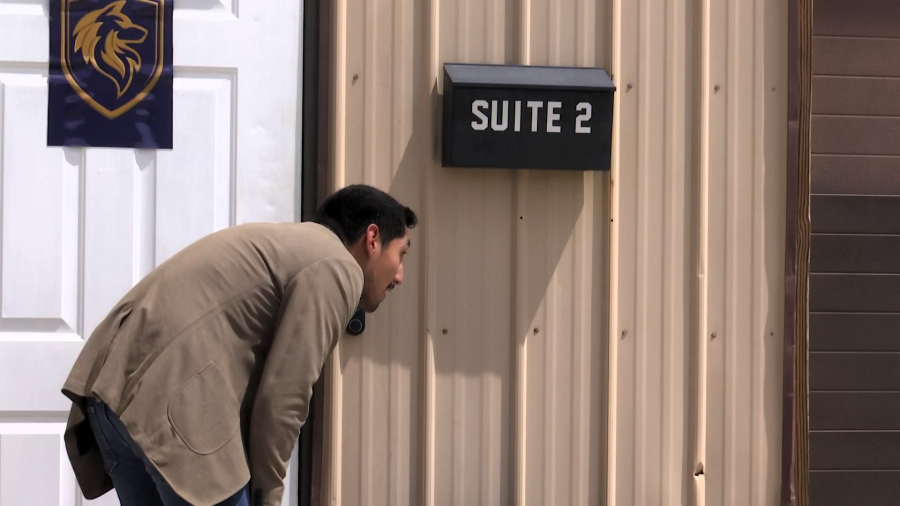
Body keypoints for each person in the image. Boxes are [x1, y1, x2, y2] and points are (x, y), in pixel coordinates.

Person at [60, 184, 417, 506]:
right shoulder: (337, 266)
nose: (400, 275)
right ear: (372, 239)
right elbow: (284, 398)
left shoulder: (293, 247)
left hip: (107, 394)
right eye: (401, 254)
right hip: (174, 410)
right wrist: (268, 498)